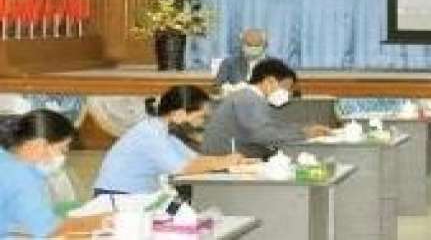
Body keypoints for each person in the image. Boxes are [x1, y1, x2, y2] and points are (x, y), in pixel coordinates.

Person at [92, 85, 250, 195]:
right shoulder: (151, 134)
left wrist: (235, 161)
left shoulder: (163, 132)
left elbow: (195, 159)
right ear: (180, 114)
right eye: (200, 117)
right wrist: (224, 162)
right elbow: (182, 168)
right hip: (117, 196)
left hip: (136, 196)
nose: (201, 123)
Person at [0, 110, 108, 237]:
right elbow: (49, 229)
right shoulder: (23, 177)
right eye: (62, 149)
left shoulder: (6, 158)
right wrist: (102, 220)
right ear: (40, 145)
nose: (64, 156)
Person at [202, 58, 331, 157]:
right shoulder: (248, 99)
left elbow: (270, 126)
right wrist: (304, 134)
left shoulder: (252, 97)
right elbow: (263, 134)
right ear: (269, 81)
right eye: (286, 87)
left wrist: (303, 129)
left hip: (233, 155)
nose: (288, 93)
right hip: (227, 160)